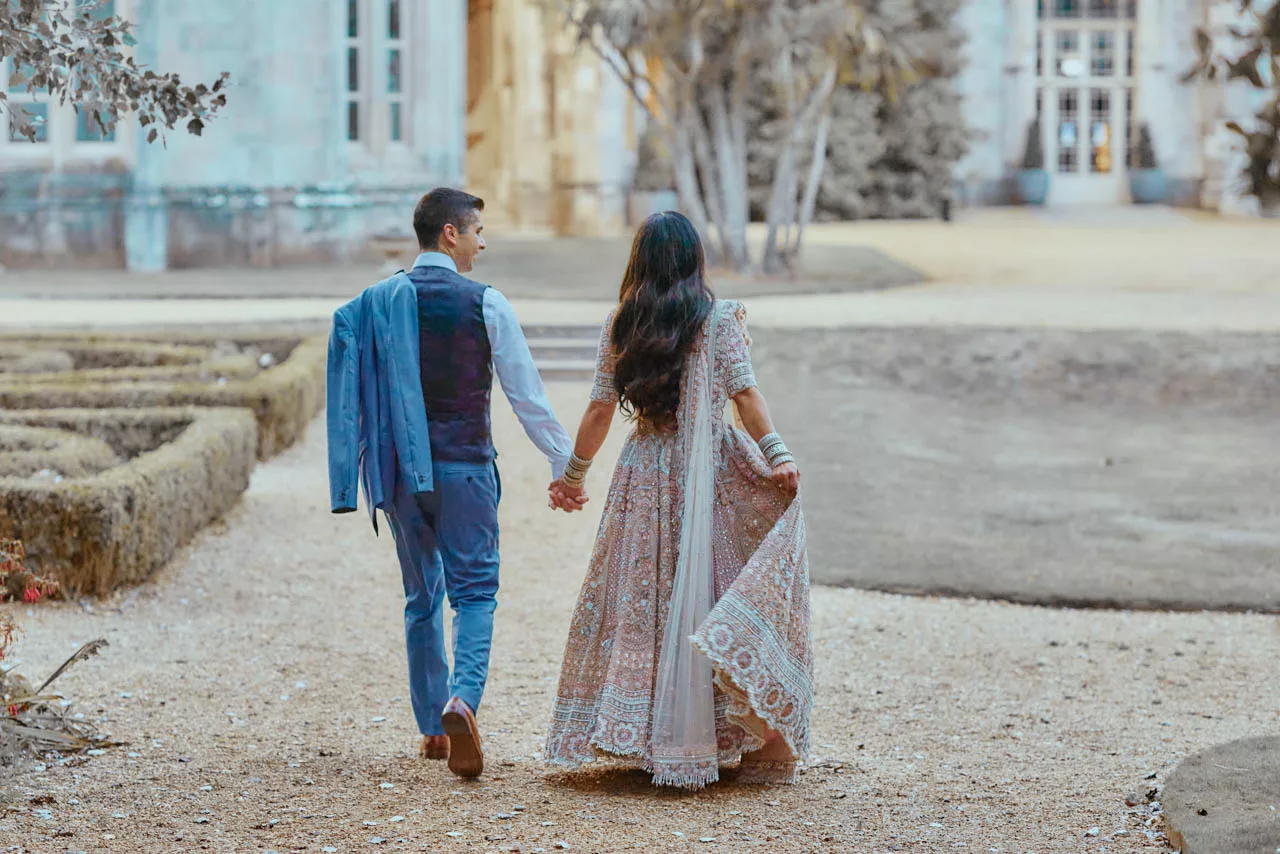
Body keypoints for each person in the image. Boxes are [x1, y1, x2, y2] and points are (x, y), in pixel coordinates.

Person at [543, 211, 812, 789]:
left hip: (644, 471)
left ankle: (642, 731)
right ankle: (720, 734)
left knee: (644, 596)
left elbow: (598, 409)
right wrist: (777, 453)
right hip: (705, 471)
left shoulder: (623, 322)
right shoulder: (717, 320)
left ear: (640, 260)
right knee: (710, 585)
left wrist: (573, 475)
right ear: (694, 260)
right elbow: (745, 394)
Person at [327, 188, 572, 779]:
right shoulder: (486, 303)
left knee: (421, 598)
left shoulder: (374, 302)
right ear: (449, 234)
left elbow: (347, 373)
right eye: (478, 230)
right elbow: (527, 397)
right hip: (465, 470)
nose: (483, 242)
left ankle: (434, 730)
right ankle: (462, 699)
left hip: (399, 477)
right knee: (475, 593)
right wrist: (567, 464)